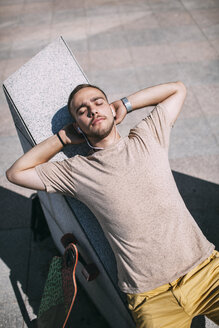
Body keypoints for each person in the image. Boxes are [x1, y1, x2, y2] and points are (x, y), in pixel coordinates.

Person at [6, 82, 219, 327]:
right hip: (151, 297)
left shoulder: (147, 136)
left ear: (110, 107)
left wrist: (126, 104)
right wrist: (62, 138)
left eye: (98, 102)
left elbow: (178, 89)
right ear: (78, 125)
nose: (93, 110)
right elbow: (16, 174)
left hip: (206, 271)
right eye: (82, 110)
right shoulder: (77, 171)